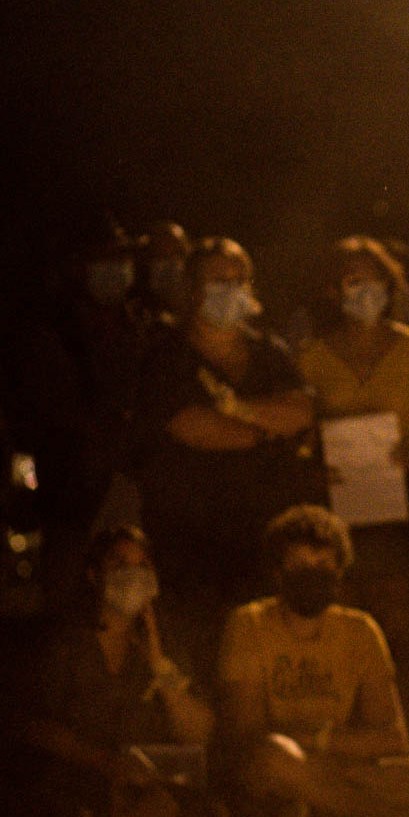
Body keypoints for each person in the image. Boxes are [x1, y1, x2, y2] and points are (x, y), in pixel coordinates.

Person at [215, 505, 409, 817]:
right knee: (274, 757)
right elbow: (250, 734)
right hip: (291, 766)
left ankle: (332, 811)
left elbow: (391, 736)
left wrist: (324, 744)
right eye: (300, 565)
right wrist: (329, 755)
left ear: (340, 571)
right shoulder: (249, 623)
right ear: (278, 571)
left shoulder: (359, 629)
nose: (312, 574)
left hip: (342, 767)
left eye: (323, 565)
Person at [131, 238, 323, 662]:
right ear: (193, 288)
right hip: (189, 537)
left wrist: (239, 409)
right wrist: (265, 431)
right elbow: (194, 427)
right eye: (219, 280)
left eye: (239, 280)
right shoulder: (166, 354)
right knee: (200, 646)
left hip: (259, 535)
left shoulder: (268, 351)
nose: (231, 289)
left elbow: (301, 411)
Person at [296, 236, 409, 693]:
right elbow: (300, 433)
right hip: (335, 504)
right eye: (353, 280)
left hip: (399, 505)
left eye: (374, 279)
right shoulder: (311, 355)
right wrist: (313, 469)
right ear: (333, 290)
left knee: (398, 614)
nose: (365, 291)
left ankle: (402, 712)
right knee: (341, 607)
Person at [14, 526, 216, 817]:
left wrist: (158, 664)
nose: (133, 575)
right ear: (95, 576)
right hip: (83, 774)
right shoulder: (68, 644)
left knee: (201, 798)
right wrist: (107, 763)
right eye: (120, 565)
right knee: (49, 802)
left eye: (143, 566)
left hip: (146, 779)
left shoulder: (163, 642)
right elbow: (36, 727)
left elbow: (198, 733)